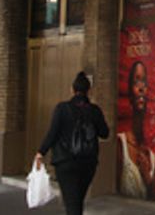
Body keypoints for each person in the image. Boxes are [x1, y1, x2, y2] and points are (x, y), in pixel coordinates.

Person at [35, 71, 110, 215]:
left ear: (72, 89)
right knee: (77, 201)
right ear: (89, 91)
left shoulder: (62, 109)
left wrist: (41, 152)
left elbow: (52, 133)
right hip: (88, 163)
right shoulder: (95, 111)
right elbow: (105, 133)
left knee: (72, 204)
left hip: (65, 163)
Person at [118, 60, 155, 199]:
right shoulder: (120, 145)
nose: (141, 88)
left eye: (144, 82)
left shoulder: (151, 156)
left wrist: (147, 178)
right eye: (136, 82)